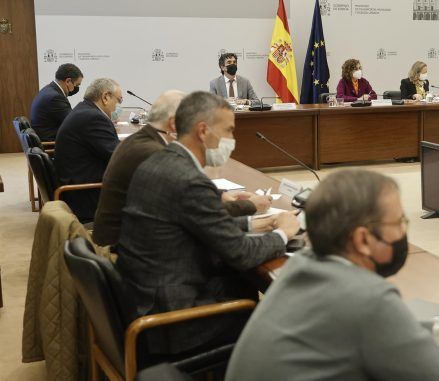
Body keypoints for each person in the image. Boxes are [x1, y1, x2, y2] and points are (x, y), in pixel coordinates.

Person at [225, 169, 439, 381]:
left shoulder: (305, 264)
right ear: (362, 239)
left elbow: (371, 335)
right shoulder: (369, 299)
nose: (402, 233)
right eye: (399, 222)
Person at [116, 91, 300, 356]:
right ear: (203, 131)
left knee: (244, 285)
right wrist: (284, 232)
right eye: (229, 130)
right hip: (172, 321)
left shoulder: (159, 161)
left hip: (143, 298)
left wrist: (256, 223)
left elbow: (201, 225)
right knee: (276, 320)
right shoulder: (189, 180)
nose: (232, 140)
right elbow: (241, 253)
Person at [92, 90, 272, 248]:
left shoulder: (143, 139)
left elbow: (186, 194)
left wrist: (220, 195)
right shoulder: (152, 153)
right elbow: (203, 213)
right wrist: (251, 205)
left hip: (131, 237)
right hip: (121, 247)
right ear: (174, 124)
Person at [54, 78, 121, 222]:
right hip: (85, 194)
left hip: (76, 185)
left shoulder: (83, 110)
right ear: (105, 97)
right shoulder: (93, 118)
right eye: (118, 101)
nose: (117, 107)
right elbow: (119, 157)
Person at [30, 63, 84, 141]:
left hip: (47, 137)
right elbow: (74, 122)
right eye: (77, 85)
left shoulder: (49, 90)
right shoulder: (55, 98)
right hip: (51, 144)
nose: (77, 88)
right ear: (68, 81)